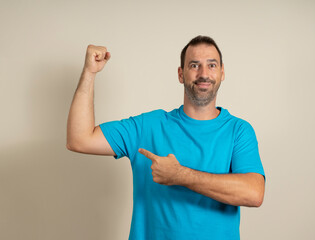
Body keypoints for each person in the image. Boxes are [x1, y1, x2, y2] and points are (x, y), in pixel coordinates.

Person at [66, 36, 265, 240]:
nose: (204, 74)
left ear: (222, 72)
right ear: (181, 74)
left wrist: (179, 175)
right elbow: (79, 139)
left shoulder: (238, 131)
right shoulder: (148, 126)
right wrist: (90, 73)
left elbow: (254, 193)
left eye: (211, 65)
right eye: (194, 65)